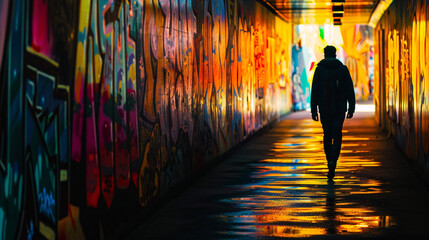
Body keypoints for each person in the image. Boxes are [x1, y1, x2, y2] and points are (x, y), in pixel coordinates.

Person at [311, 45, 355, 181]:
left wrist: (314, 110)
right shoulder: (342, 70)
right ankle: (333, 161)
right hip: (339, 108)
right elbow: (349, 89)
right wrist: (351, 107)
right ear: (335, 55)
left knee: (327, 134)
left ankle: (329, 159)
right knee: (337, 134)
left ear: (324, 55)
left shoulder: (319, 71)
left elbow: (315, 91)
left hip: (324, 108)